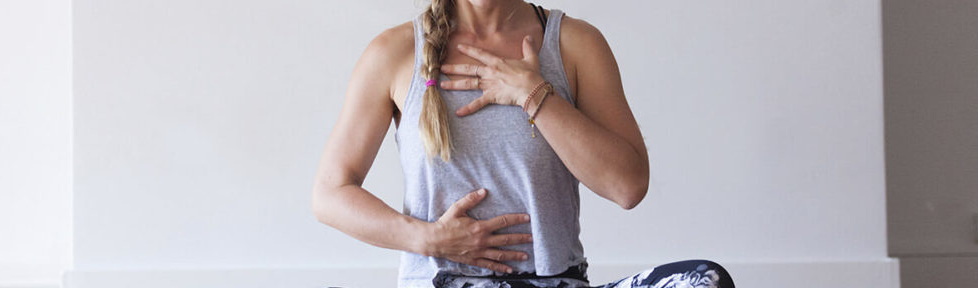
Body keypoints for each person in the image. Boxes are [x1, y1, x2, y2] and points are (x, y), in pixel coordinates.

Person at [311, 0, 735, 287]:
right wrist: (428, 240)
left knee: (703, 279)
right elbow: (331, 194)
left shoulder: (574, 44)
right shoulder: (396, 51)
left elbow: (628, 186)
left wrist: (534, 96)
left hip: (557, 280)